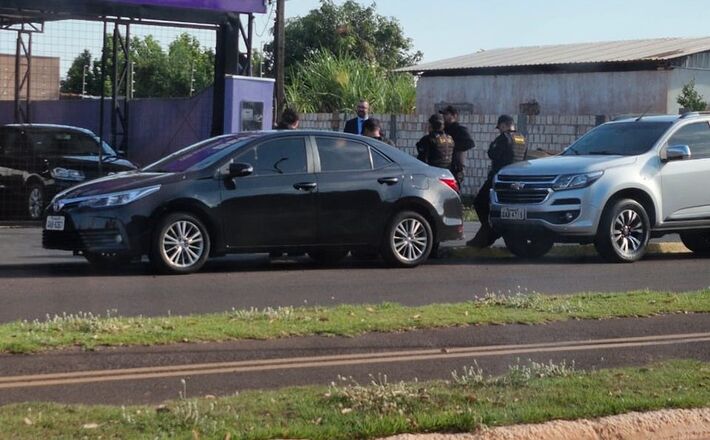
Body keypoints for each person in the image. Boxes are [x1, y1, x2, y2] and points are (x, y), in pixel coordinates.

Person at [468, 114, 526, 248]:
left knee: (479, 202)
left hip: (498, 178)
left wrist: (492, 146)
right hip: (516, 180)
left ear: (504, 125)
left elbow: (492, 154)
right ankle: (487, 234)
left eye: (500, 127)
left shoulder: (503, 138)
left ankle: (488, 228)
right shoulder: (522, 139)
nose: (499, 130)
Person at [440, 105, 475, 188]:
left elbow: (467, 146)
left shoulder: (460, 130)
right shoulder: (443, 130)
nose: (444, 116)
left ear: (454, 116)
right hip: (442, 165)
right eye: (443, 114)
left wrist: (461, 168)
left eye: (447, 114)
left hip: (454, 166)